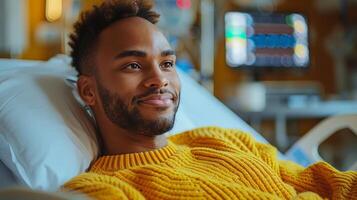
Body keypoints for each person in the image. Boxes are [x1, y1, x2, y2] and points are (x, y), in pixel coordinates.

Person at [62, 0, 357, 199]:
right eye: (133, 66)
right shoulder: (108, 187)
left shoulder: (222, 140)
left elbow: (328, 184)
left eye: (167, 64)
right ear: (88, 91)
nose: (160, 79)